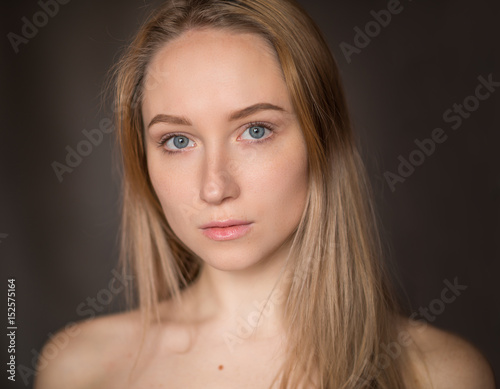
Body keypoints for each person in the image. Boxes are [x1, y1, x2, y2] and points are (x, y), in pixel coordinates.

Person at [34, 0, 495, 388]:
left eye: (255, 130)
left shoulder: (439, 375)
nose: (214, 187)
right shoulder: (78, 367)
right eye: (177, 140)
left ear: (323, 139)